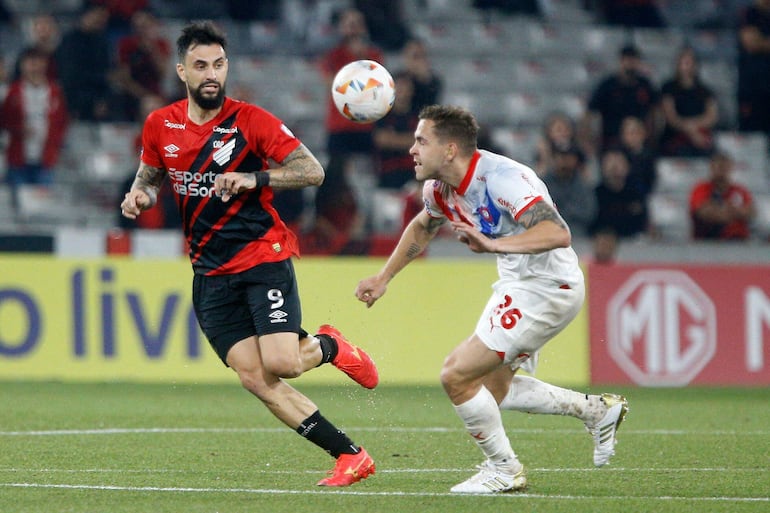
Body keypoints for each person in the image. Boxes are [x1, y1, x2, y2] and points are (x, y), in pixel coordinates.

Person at [119, 21, 377, 487]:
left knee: (282, 364)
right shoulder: (161, 124)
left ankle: (330, 345)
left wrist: (255, 178)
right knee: (256, 379)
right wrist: (139, 194)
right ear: (182, 71)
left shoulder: (250, 121)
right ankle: (350, 455)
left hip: (262, 257)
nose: (211, 74)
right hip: (209, 273)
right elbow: (150, 173)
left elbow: (311, 170)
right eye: (201, 66)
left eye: (218, 64)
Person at [354, 105, 629, 493]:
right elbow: (424, 225)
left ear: (450, 149)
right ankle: (597, 411)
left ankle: (504, 469)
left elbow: (557, 232)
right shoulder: (439, 188)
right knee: (490, 392)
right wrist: (384, 277)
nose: (412, 150)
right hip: (518, 285)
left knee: (456, 375)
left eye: (421, 141)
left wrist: (494, 243)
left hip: (550, 287)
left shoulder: (504, 179)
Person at [1, 47, 68, 211]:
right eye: (30, 62)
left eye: (38, 62)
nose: (34, 67)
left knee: (43, 208)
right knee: (16, 208)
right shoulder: (12, 91)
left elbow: (62, 122)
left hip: (45, 159)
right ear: (22, 65)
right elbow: (3, 121)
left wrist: (55, 143)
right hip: (18, 158)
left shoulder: (55, 92)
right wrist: (18, 129)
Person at [580, 44, 660, 157]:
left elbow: (655, 113)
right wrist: (587, 141)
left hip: (639, 143)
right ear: (620, 61)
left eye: (634, 60)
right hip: (612, 142)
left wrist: (652, 138)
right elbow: (589, 114)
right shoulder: (607, 85)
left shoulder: (645, 85)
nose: (630, 63)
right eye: (627, 59)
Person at [54, 3, 113, 121]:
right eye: (98, 16)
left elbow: (107, 73)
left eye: (104, 18)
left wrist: (102, 99)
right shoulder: (70, 41)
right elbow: (70, 76)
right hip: (75, 100)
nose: (101, 21)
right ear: (85, 15)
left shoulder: (102, 42)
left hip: (99, 101)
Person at [112, 9, 171, 122]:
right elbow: (124, 78)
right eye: (137, 26)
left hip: (155, 92)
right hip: (132, 93)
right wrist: (144, 96)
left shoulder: (161, 44)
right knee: (149, 105)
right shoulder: (126, 44)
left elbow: (163, 73)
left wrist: (152, 50)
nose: (141, 30)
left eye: (145, 26)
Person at [659, 46, 719, 157]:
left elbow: (712, 117)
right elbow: (671, 118)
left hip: (701, 134)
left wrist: (694, 128)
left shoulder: (705, 90)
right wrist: (691, 132)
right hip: (675, 134)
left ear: (696, 65)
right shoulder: (668, 88)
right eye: (684, 63)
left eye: (690, 63)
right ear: (678, 64)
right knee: (682, 151)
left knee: (710, 149)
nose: (687, 66)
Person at [689, 151, 756, 240]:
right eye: (720, 167)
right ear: (711, 168)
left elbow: (751, 212)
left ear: (731, 168)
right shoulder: (701, 188)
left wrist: (722, 211)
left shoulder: (739, 190)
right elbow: (702, 212)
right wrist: (733, 212)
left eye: (725, 167)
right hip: (707, 242)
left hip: (738, 242)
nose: (722, 171)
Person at [372, 70, 420, 189]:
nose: (402, 91)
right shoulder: (382, 114)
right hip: (389, 176)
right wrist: (410, 140)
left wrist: (394, 139)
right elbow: (382, 140)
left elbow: (426, 142)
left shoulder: (419, 115)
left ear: (412, 90)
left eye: (406, 87)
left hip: (415, 177)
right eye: (399, 86)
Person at [589, 148, 650, 240]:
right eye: (610, 161)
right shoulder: (595, 193)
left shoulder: (636, 193)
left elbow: (641, 222)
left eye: (619, 162)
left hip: (632, 242)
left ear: (628, 167)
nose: (614, 166)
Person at [541, 144, 596, 237]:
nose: (565, 161)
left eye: (569, 157)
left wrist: (561, 211)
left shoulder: (583, 185)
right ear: (553, 159)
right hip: (549, 235)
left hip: (578, 235)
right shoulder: (542, 184)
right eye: (561, 157)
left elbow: (589, 213)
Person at [736, 0, 770, 136]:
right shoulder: (750, 14)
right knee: (752, 137)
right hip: (753, 87)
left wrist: (760, 41)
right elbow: (749, 42)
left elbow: (756, 42)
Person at [399, 38, 443, 115]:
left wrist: (424, 79)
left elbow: (431, 107)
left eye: (423, 56)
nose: (420, 61)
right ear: (406, 58)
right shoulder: (397, 80)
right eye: (416, 56)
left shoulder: (434, 82)